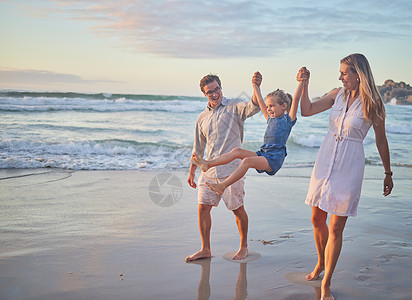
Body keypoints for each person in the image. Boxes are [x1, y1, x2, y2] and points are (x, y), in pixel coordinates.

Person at [298, 54, 394, 300]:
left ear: (358, 74)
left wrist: (387, 172)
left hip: (350, 163)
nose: (340, 77)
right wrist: (304, 84)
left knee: (336, 226)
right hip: (326, 157)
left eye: (344, 73)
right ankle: (320, 263)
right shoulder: (336, 95)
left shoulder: (374, 103)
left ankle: (326, 283)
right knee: (316, 217)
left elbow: (381, 140)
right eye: (340, 73)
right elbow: (306, 111)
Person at [185, 73, 261, 262]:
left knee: (237, 209)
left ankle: (243, 246)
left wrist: (255, 86)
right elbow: (198, 147)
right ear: (205, 94)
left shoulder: (235, 106)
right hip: (208, 171)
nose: (215, 94)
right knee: (202, 208)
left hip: (233, 170)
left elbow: (254, 106)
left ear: (221, 87)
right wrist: (192, 171)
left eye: (217, 89)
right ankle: (205, 249)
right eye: (210, 92)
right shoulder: (202, 118)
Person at [192, 72, 306, 196]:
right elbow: (260, 102)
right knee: (237, 151)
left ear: (284, 106)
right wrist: (255, 85)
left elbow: (296, 99)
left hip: (274, 157)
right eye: (268, 106)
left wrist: (301, 82)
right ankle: (208, 164)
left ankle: (222, 186)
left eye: (272, 106)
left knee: (247, 161)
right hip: (264, 153)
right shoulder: (270, 118)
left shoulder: (288, 120)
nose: (268, 109)